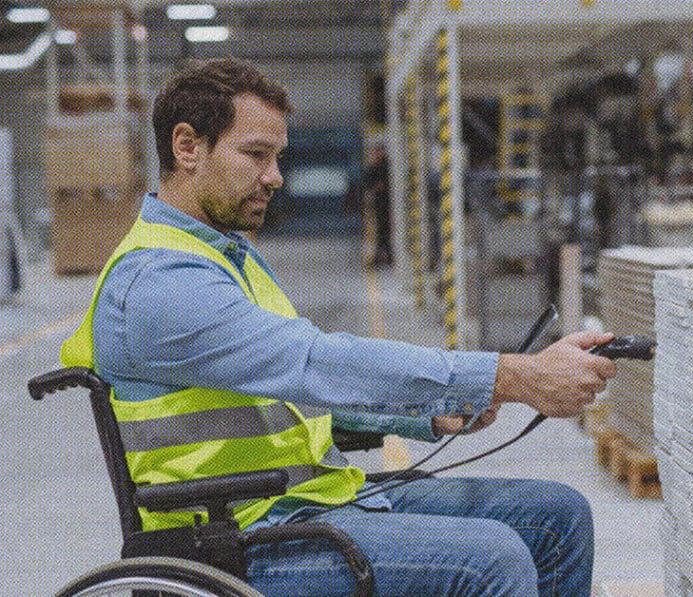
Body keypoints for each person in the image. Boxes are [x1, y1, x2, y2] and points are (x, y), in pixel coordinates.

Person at [60, 57, 618, 596]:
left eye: (278, 157)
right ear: (187, 148)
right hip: (235, 537)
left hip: (300, 502)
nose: (274, 177)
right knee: (491, 560)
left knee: (556, 517)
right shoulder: (160, 281)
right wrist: (513, 375)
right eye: (256, 155)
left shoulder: (221, 256)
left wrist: (421, 415)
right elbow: (314, 364)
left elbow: (284, 398)